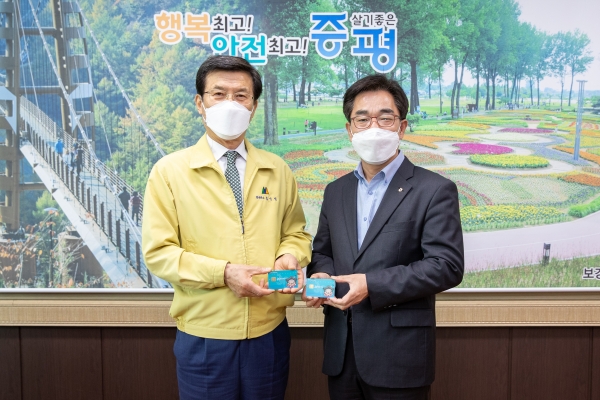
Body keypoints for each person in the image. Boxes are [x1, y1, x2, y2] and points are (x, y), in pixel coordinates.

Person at [142, 55, 312, 400]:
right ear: (200, 103)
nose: (230, 104)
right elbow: (160, 253)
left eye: (241, 95)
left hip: (269, 333)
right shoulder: (170, 172)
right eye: (219, 94)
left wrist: (290, 255)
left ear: (254, 106)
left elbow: (296, 233)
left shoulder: (277, 169)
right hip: (205, 336)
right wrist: (224, 273)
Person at [304, 74, 464, 400]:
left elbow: (446, 266)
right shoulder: (336, 191)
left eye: (385, 118)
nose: (373, 127)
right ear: (350, 129)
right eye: (362, 119)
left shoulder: (434, 190)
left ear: (401, 127)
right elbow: (322, 252)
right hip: (341, 352)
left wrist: (370, 285)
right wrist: (321, 274)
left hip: (399, 356)